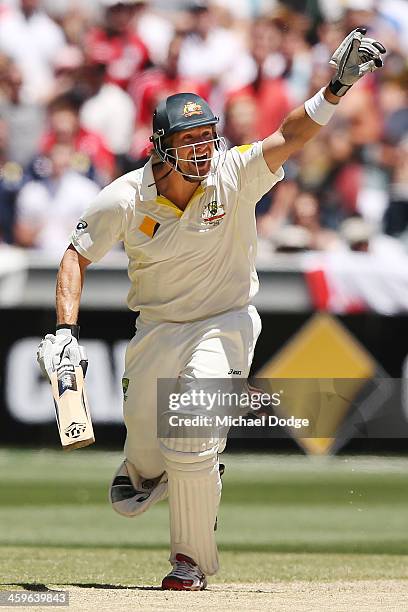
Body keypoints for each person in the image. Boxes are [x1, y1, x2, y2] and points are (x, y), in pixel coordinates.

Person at [37, 28, 385, 590]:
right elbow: (75, 255)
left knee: (193, 433)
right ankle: (151, 471)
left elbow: (287, 138)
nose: (204, 149)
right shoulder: (126, 197)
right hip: (156, 332)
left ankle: (189, 563)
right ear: (161, 146)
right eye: (191, 139)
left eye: (208, 136)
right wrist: (65, 332)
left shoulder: (232, 174)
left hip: (225, 323)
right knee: (144, 473)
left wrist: (335, 89)